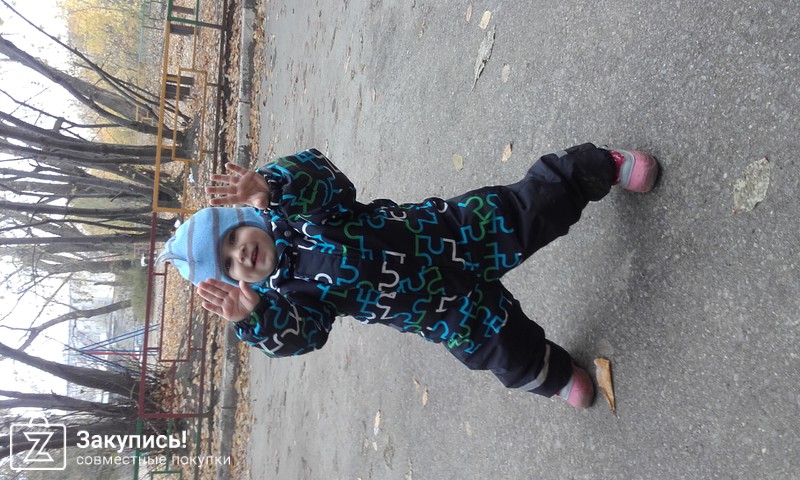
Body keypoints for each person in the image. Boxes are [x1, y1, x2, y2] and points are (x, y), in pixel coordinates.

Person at [158, 143, 658, 409]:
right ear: (236, 281)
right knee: (504, 353)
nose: (240, 253)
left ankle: (600, 167)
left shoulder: (301, 214)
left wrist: (274, 185)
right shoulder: (292, 296)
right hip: (443, 312)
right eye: (229, 264)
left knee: (532, 206)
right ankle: (554, 375)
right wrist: (257, 319)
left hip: (457, 232)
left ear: (246, 218)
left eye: (233, 237)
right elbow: (306, 335)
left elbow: (329, 180)